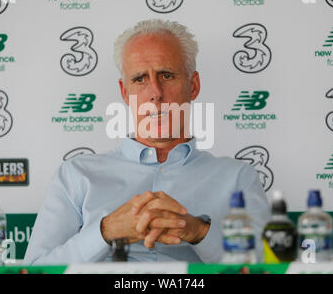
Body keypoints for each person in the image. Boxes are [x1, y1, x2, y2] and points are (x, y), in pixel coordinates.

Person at [23, 19, 270, 265]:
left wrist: (199, 232)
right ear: (124, 92)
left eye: (166, 75)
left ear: (192, 86)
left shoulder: (238, 177)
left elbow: (268, 269)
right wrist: (105, 231)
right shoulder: (75, 175)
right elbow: (35, 269)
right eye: (140, 79)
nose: (155, 92)